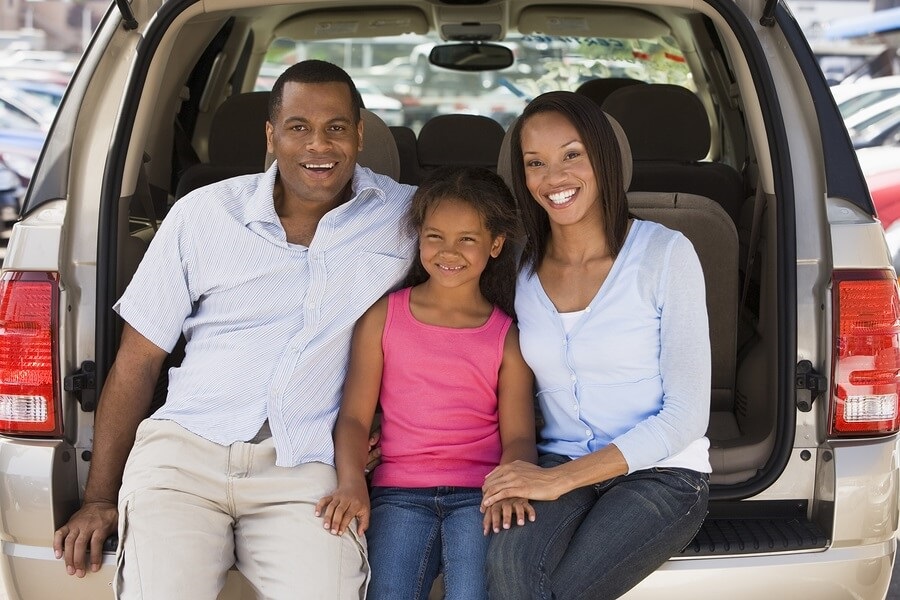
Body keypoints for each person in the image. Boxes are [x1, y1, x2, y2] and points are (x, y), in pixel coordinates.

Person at [52, 59, 417, 599]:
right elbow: (138, 359)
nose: (319, 145)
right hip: (184, 453)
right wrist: (100, 496)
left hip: (308, 465)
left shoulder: (407, 218)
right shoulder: (203, 215)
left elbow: (463, 317)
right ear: (271, 136)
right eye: (298, 127)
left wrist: (402, 429)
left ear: (360, 134)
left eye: (336, 127)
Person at [481, 91, 711, 600]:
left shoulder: (666, 254)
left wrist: (556, 482)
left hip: (663, 475)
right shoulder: (516, 269)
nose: (554, 178)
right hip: (556, 462)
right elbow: (483, 366)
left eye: (571, 155)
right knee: (506, 569)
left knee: (551, 590)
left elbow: (687, 417)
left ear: (603, 157)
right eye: (535, 163)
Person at [315, 165, 538, 600]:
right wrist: (351, 481)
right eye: (434, 236)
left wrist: (512, 483)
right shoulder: (383, 317)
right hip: (399, 492)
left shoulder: (506, 337)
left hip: (480, 496)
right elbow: (355, 419)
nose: (447, 251)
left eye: (467, 239)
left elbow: (520, 438)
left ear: (495, 245)